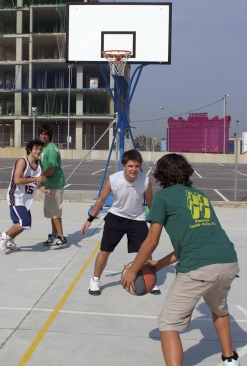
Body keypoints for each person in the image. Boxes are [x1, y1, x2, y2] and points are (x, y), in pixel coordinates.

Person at [121, 153, 240, 366]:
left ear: (161, 175)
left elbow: (151, 241)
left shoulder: (163, 198)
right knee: (220, 309)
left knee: (168, 323)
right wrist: (158, 265)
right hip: (228, 261)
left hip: (199, 269)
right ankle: (230, 359)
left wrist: (133, 270)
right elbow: (192, 243)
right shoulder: (200, 195)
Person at [81, 149, 161, 296]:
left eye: (137, 166)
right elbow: (101, 200)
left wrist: (157, 222)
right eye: (130, 166)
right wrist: (90, 219)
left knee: (146, 250)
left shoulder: (145, 181)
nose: (134, 169)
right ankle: (95, 280)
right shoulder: (114, 179)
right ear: (123, 166)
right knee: (105, 251)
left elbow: (150, 203)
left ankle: (150, 278)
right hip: (116, 218)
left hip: (137, 219)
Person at [0, 139, 50, 252]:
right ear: (30, 149)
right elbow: (16, 180)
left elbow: (40, 183)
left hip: (26, 199)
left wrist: (44, 190)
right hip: (15, 196)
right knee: (24, 222)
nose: (38, 151)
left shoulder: (40, 165)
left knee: (24, 224)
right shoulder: (22, 162)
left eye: (40, 149)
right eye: (36, 148)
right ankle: (3, 236)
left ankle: (9, 239)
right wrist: (35, 178)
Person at [38, 124, 67, 249]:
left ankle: (61, 236)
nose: (43, 136)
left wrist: (39, 178)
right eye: (41, 133)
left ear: (49, 135)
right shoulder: (43, 148)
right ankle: (54, 235)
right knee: (51, 211)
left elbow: (51, 170)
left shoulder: (51, 148)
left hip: (55, 183)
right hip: (50, 184)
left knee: (55, 211)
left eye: (45, 134)